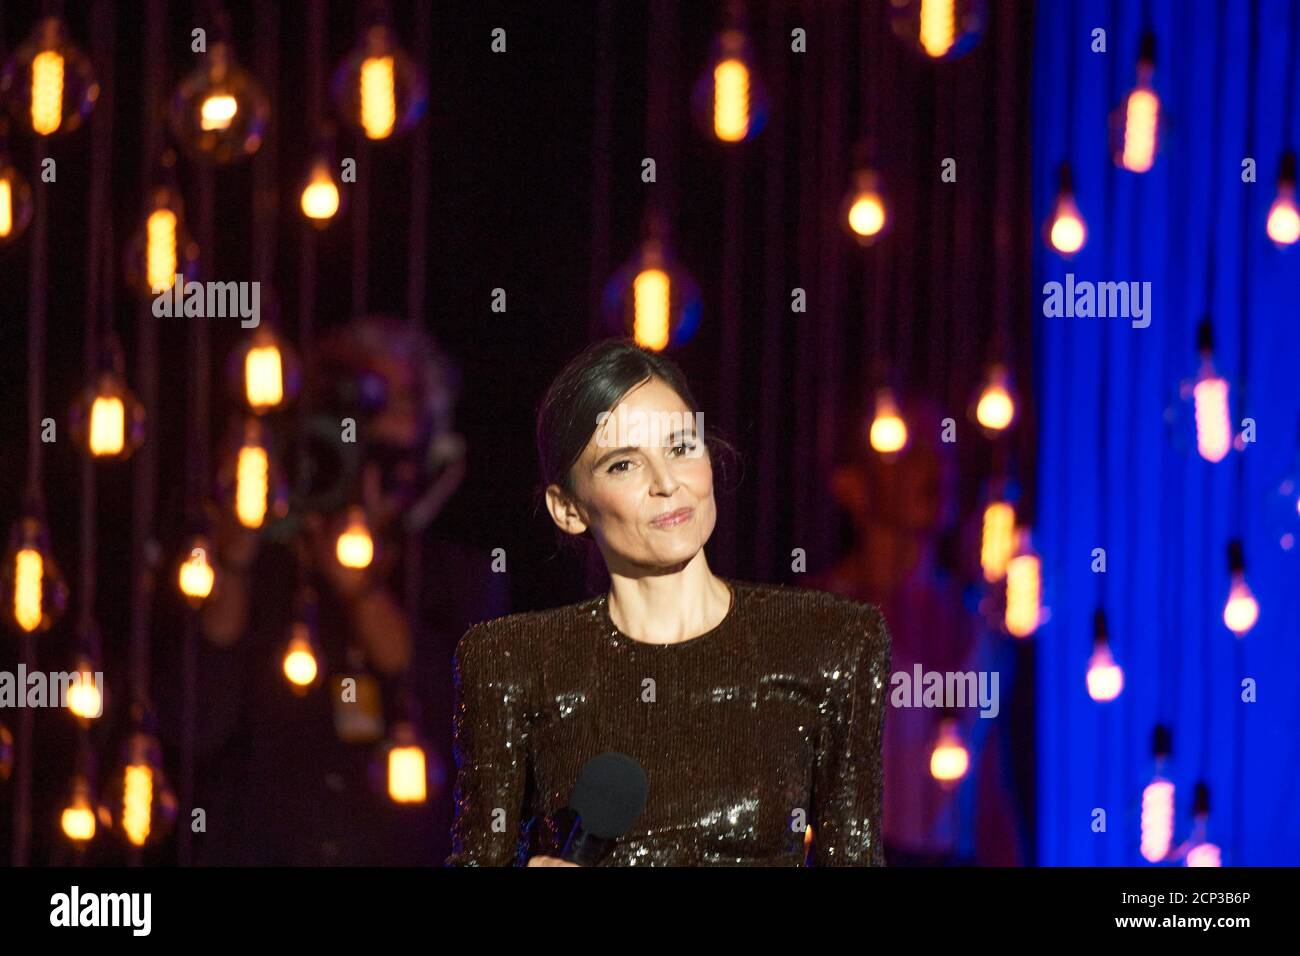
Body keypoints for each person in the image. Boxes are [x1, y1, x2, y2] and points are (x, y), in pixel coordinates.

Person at [444, 337, 891, 866]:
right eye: (622, 465)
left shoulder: (829, 643)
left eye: (681, 447)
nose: (666, 484)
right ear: (567, 509)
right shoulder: (512, 661)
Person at [165, 315, 506, 865]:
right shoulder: (262, 571)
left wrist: (362, 590)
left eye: (390, 412)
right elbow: (196, 720)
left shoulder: (458, 578)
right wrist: (236, 553)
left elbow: (467, 717)